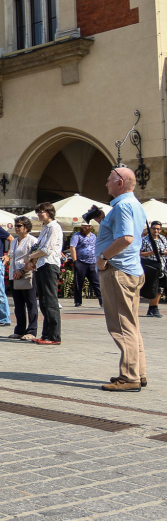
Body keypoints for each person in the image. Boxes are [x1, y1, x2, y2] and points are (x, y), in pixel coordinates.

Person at [94, 166, 148, 391]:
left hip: (118, 271)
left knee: (121, 325)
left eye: (109, 180)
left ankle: (129, 376)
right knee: (131, 324)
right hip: (131, 270)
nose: (106, 184)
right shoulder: (135, 204)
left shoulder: (123, 206)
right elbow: (133, 234)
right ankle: (139, 372)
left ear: (120, 182)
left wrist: (103, 257)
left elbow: (126, 238)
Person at [26, 202, 64, 345]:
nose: (39, 214)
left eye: (42, 211)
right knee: (43, 301)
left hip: (50, 264)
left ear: (50, 212)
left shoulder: (54, 227)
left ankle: (54, 336)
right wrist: (33, 259)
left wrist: (30, 257)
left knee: (50, 300)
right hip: (41, 265)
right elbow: (39, 246)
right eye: (38, 212)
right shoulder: (45, 228)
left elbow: (47, 249)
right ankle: (46, 334)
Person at [8, 218, 39, 340]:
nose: (16, 227)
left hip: (27, 275)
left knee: (30, 303)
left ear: (26, 227)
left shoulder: (32, 240)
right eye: (15, 225)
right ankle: (20, 330)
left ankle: (32, 330)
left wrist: (22, 270)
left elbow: (34, 259)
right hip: (13, 275)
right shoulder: (14, 241)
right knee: (18, 304)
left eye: (19, 225)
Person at [71, 221, 103, 309]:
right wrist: (75, 261)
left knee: (96, 282)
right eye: (82, 226)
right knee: (79, 282)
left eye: (85, 226)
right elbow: (72, 248)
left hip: (92, 262)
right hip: (81, 262)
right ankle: (78, 301)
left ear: (90, 226)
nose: (83, 227)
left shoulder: (93, 236)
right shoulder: (77, 236)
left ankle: (102, 301)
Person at [139, 220, 165, 317]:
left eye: (158, 229)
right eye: (154, 228)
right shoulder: (145, 240)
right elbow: (140, 253)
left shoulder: (162, 239)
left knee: (160, 288)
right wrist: (153, 252)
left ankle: (154, 308)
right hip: (150, 266)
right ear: (150, 229)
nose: (156, 231)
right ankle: (153, 308)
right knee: (152, 287)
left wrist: (162, 252)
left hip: (161, 266)